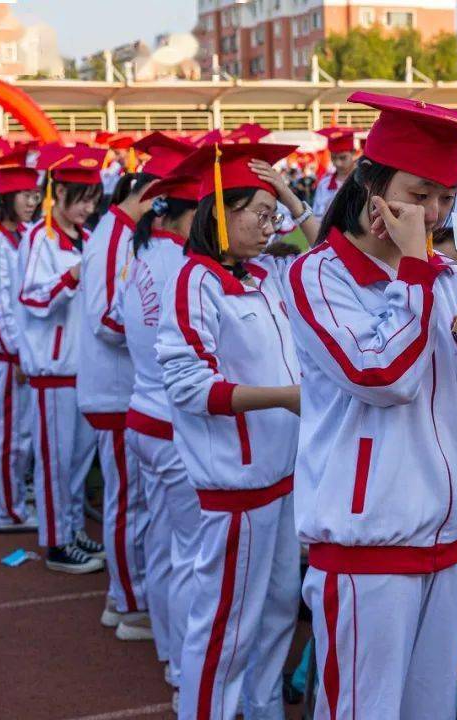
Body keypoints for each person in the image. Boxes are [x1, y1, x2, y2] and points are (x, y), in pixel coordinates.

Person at [286, 92, 457, 719]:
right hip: (366, 542)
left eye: (446, 199)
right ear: (372, 186)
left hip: (451, 534)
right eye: (418, 193)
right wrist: (413, 271)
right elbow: (382, 376)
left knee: (431, 710)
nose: (432, 213)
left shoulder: (444, 273)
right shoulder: (318, 275)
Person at [156, 142, 317, 720]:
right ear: (220, 214)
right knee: (224, 627)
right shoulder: (196, 280)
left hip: (280, 478)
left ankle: (263, 706)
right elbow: (189, 387)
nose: (272, 225)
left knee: (276, 613)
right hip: (235, 485)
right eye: (261, 212)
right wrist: (284, 398)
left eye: (275, 214)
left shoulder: (268, 273)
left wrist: (292, 197)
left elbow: (333, 254)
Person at [78, 132, 196, 645]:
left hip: (131, 389)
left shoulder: (129, 235)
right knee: (130, 503)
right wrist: (155, 339)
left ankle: (128, 595)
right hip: (120, 388)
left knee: (139, 504)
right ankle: (128, 601)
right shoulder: (118, 236)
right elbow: (107, 317)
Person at [114, 169, 201, 707]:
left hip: (142, 412)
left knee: (164, 542)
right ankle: (183, 665)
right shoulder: (181, 266)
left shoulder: (139, 251)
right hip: (170, 421)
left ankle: (172, 653)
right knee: (190, 553)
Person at [18, 144, 106, 574]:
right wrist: (69, 277)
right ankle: (55, 541)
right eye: (81, 198)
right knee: (54, 460)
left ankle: (71, 528)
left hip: (83, 367)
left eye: (93, 198)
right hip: (51, 370)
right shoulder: (40, 237)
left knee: (75, 461)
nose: (88, 207)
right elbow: (32, 296)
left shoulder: (88, 239)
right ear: (60, 194)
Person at [0, 148, 40, 533]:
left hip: (19, 353)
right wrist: (17, 352)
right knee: (8, 436)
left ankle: (15, 494)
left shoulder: (22, 236)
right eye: (24, 195)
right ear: (5, 197)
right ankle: (11, 511)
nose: (32, 202)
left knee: (20, 433)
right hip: (5, 356)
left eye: (35, 195)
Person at [312, 127, 356, 219]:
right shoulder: (324, 184)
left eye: (343, 158)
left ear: (353, 153)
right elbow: (317, 216)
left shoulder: (365, 181)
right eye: (334, 158)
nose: (338, 163)